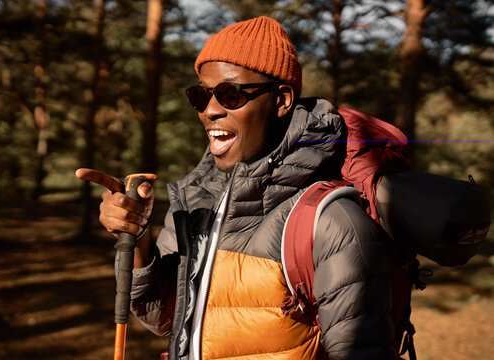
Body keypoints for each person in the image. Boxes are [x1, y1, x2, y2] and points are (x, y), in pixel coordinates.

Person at [77, 16, 396, 360]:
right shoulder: (194, 202)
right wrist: (137, 237)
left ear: (282, 100)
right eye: (200, 95)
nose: (209, 111)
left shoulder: (330, 223)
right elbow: (165, 318)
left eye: (231, 94)